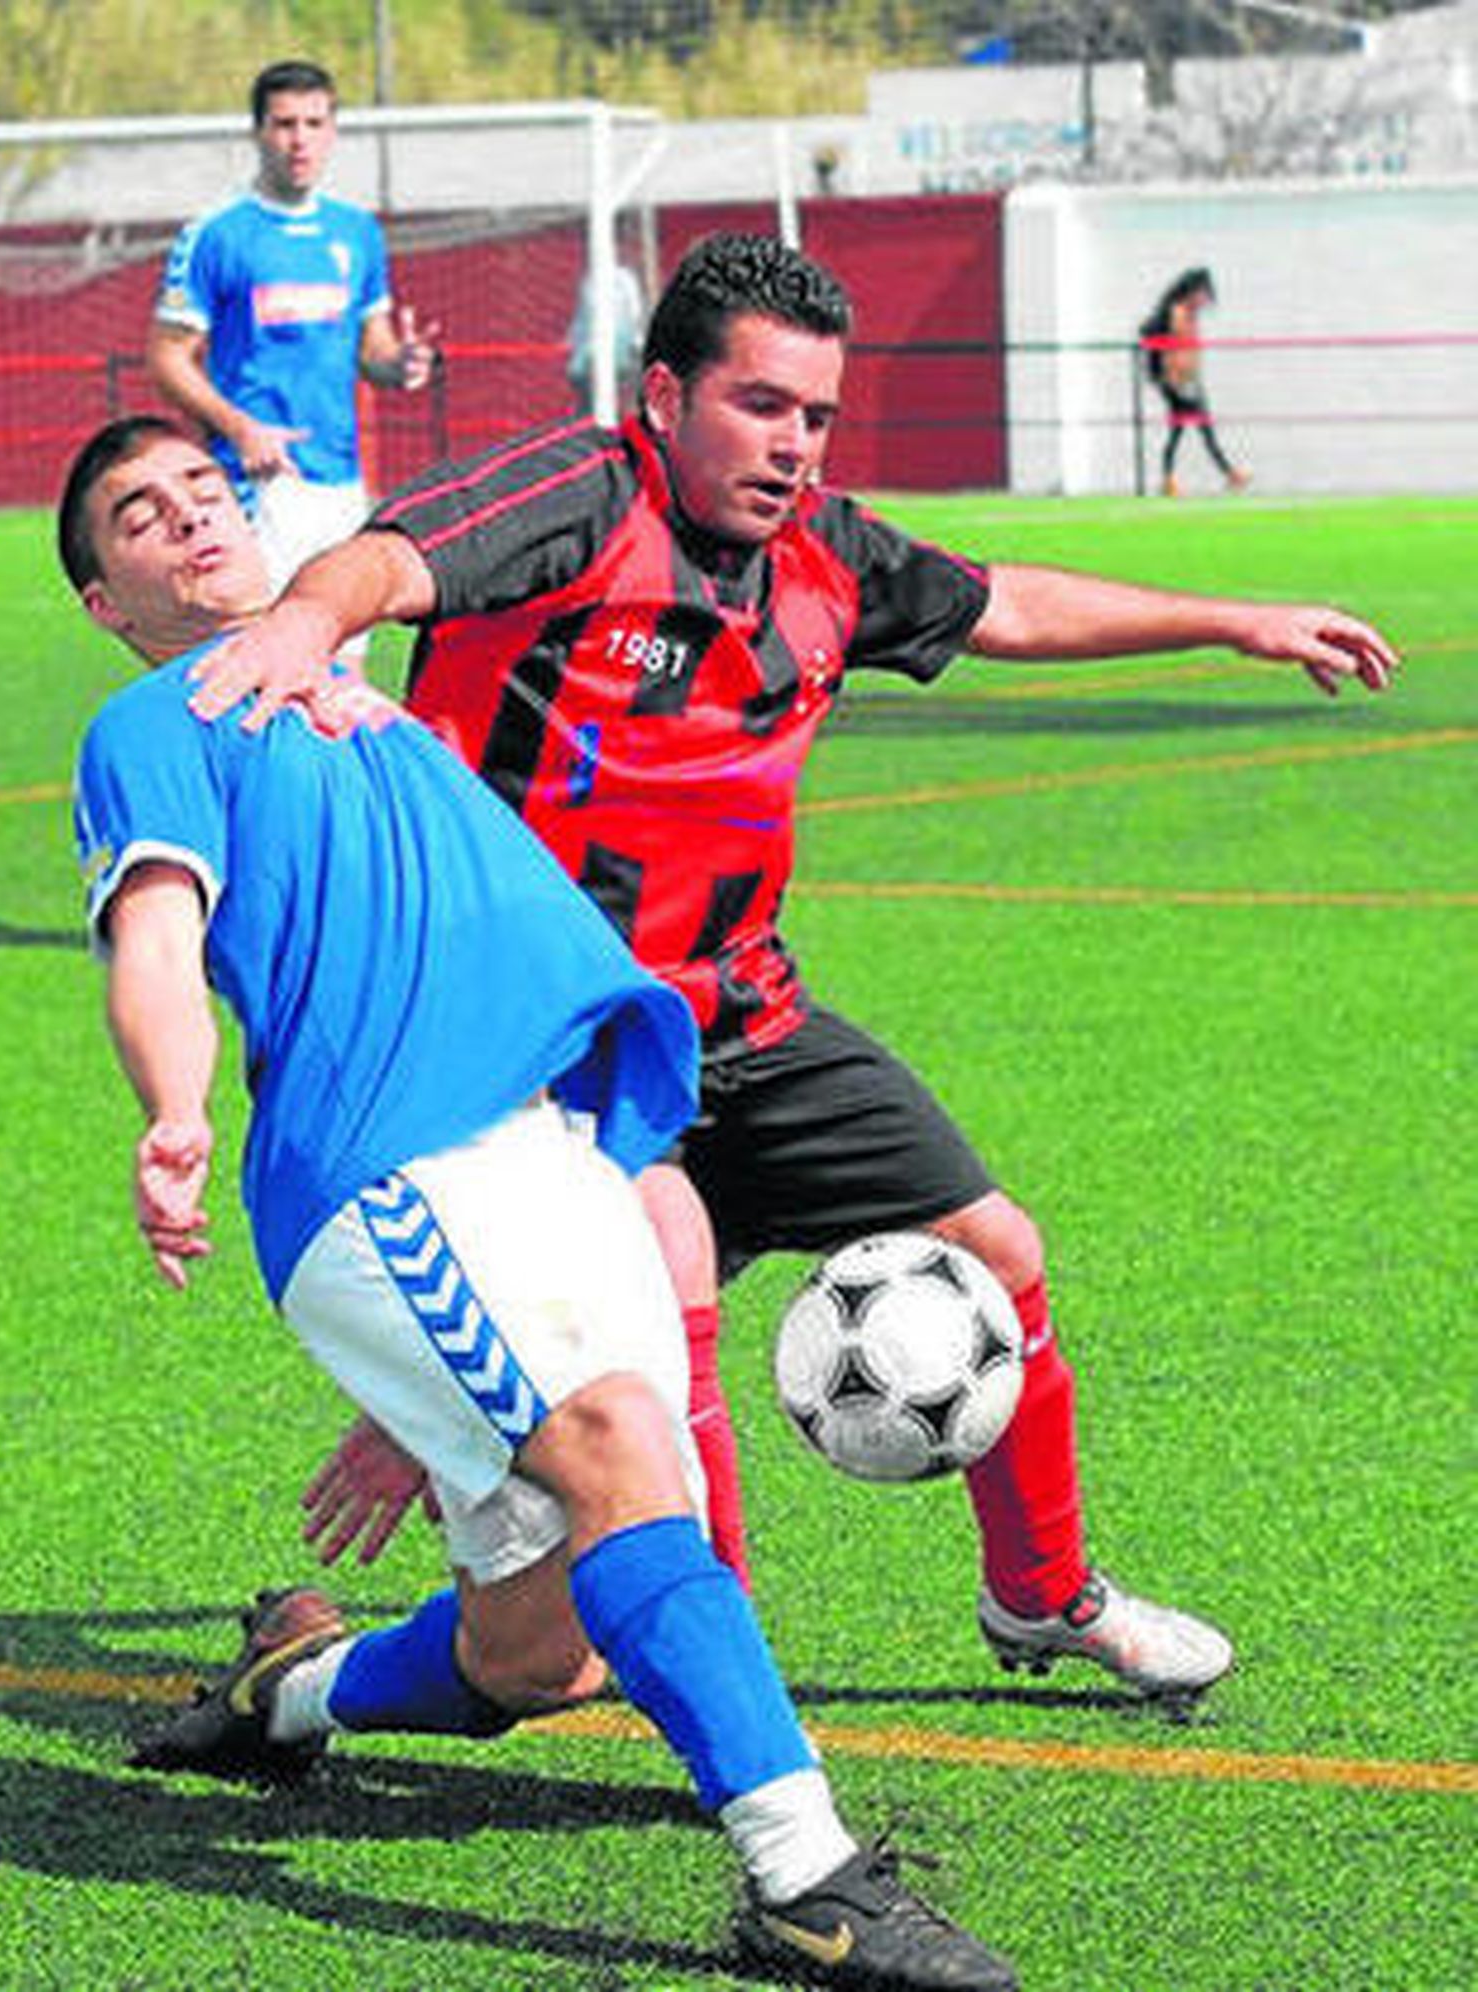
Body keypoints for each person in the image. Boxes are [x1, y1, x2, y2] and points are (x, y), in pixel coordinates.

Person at [187, 231, 1398, 1708]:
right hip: (556, 1055)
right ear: (662, 397)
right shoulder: (579, 501)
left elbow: (1001, 601)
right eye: (760, 405)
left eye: (817, 416)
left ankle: (1044, 1597)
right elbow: (389, 558)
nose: (794, 446)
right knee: (676, 1269)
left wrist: (1238, 624)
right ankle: (714, 1669)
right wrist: (309, 620)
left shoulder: (826, 556)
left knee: (1001, 1253)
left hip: (748, 1017)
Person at [58, 413, 1020, 1992]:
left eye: (204, 494)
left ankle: (289, 1694)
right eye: (140, 519)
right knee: (626, 1455)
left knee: (548, 1644)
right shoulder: (155, 725)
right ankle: (807, 1882)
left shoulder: (376, 711)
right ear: (108, 598)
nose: (190, 522)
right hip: (392, 1164)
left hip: (558, 1160)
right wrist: (174, 1109)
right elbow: (156, 940)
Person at [146, 59, 438, 601]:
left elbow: (372, 348)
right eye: (284, 124)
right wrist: (240, 429)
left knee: (342, 659)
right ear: (258, 132)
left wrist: (401, 365)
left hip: (341, 479)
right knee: (264, 654)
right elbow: (166, 358)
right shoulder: (216, 235)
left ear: (332, 131)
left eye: (313, 123)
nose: (299, 140)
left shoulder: (357, 232)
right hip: (257, 480)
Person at [1138, 267, 1250, 498]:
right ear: (1191, 292)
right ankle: (1229, 474)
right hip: (1177, 383)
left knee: (1181, 430)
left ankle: (1170, 479)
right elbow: (1168, 349)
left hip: (1189, 381)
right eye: (1202, 295)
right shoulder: (1176, 313)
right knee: (1201, 428)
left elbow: (1191, 350)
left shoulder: (1190, 314)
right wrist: (1173, 381)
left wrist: (1193, 377)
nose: (1205, 300)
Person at [566, 255, 646, 417]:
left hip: (620, 343)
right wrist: (573, 340)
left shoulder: (624, 279)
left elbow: (635, 311)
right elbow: (584, 316)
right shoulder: (590, 281)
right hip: (595, 345)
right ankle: (589, 415)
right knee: (578, 374)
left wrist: (637, 339)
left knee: (624, 379)